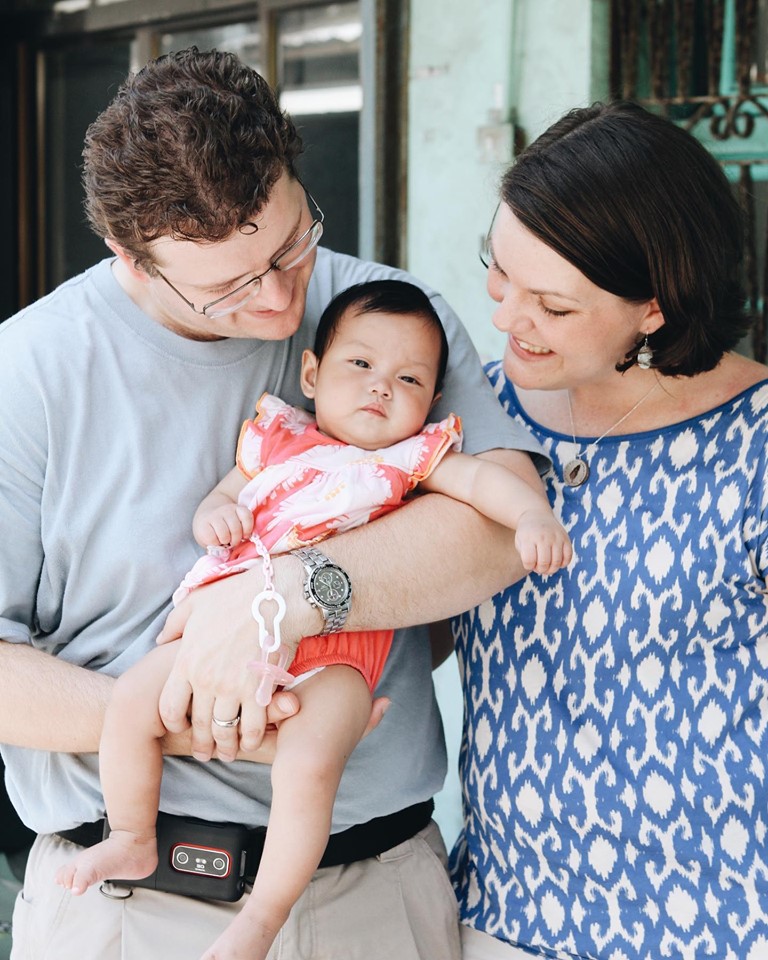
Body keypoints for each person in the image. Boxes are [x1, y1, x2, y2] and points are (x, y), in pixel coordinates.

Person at [0, 47, 545, 960]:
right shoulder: (30, 371)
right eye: (230, 285)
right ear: (126, 256)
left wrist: (292, 594)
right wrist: (187, 711)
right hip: (126, 907)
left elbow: (498, 530)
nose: (284, 297)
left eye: (293, 242)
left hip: (378, 890)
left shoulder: (388, 321)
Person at [56, 278, 570, 960]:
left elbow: (483, 484)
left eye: (408, 377)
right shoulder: (278, 441)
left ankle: (263, 916)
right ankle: (131, 835)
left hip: (337, 655)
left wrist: (533, 515)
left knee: (309, 765)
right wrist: (218, 514)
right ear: (312, 373)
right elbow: (227, 494)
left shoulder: (408, 460)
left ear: (432, 402)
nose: (380, 387)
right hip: (221, 637)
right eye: (360, 364)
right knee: (130, 703)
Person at [448, 99, 768, 960]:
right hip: (507, 910)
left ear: (653, 310)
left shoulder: (757, 439)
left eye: (552, 305)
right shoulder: (479, 407)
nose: (509, 316)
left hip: (720, 921)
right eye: (499, 272)